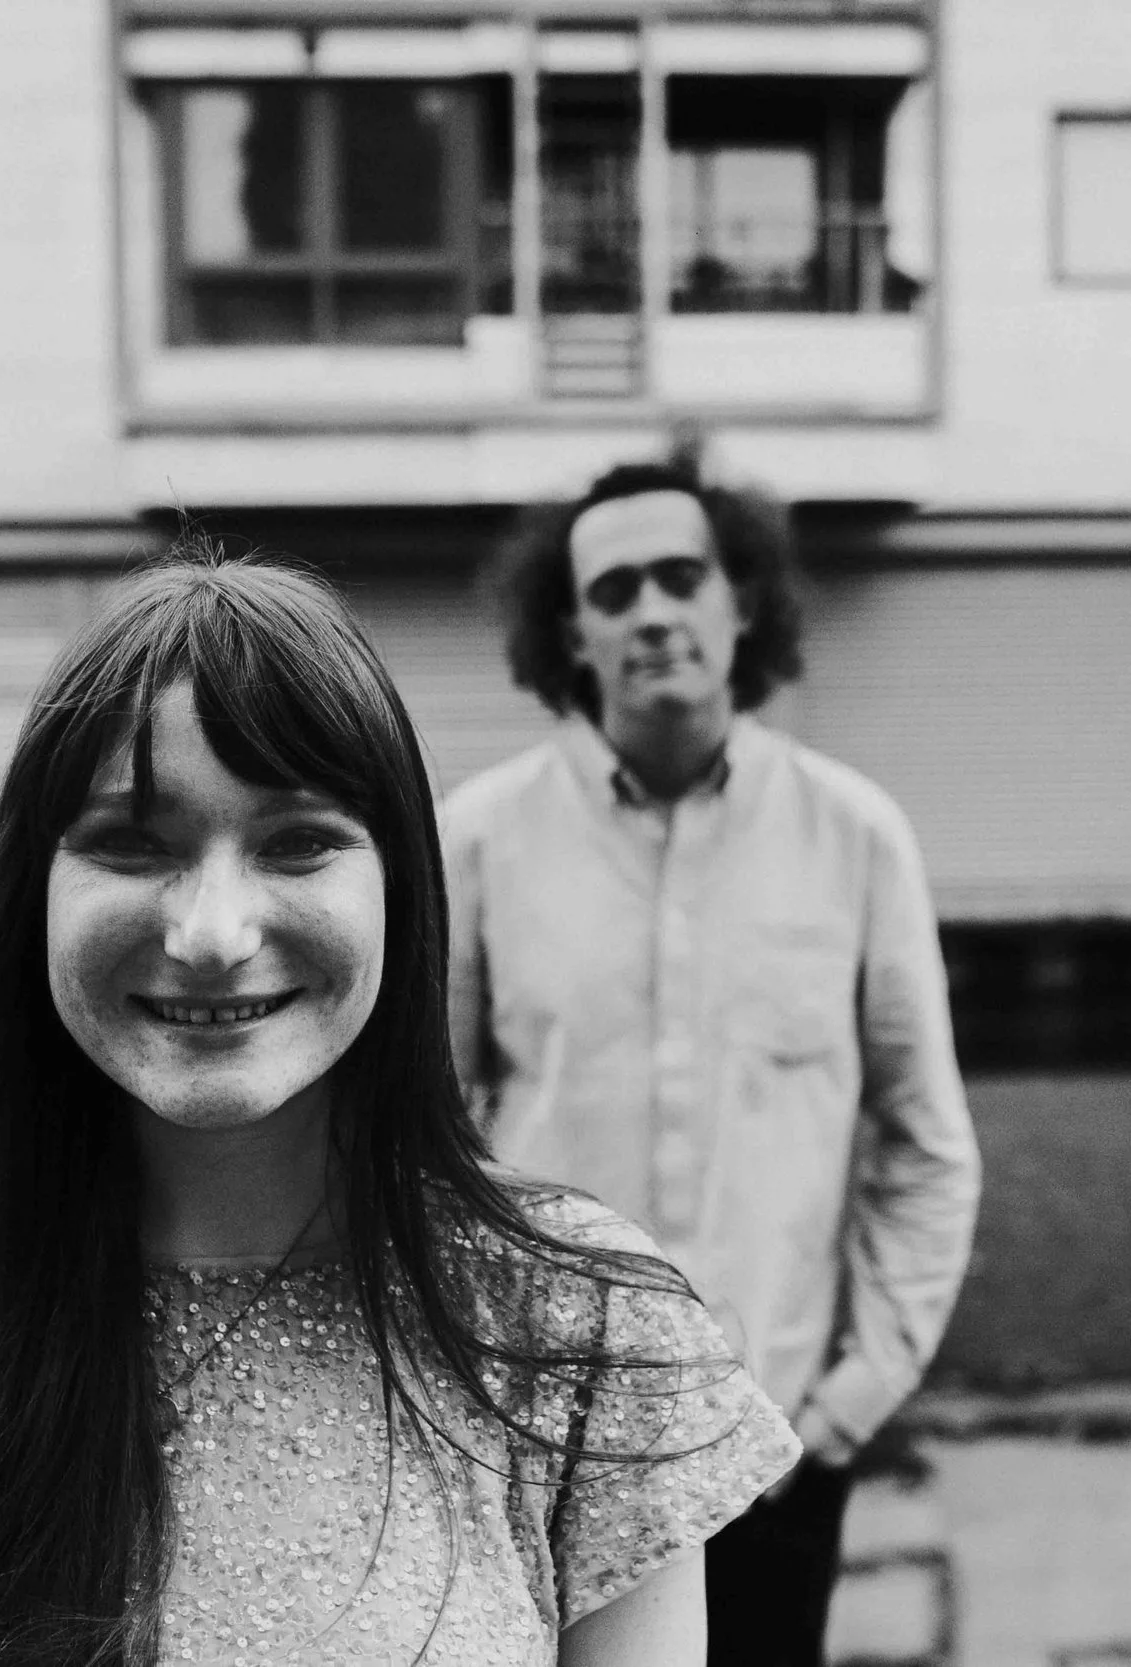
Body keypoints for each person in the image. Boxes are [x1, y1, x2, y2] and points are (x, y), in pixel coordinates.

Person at [0, 552, 799, 1667]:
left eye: (298, 842)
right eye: (131, 844)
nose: (210, 930)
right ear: (30, 891)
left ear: (400, 888)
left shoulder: (583, 1322)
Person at [442, 458, 982, 1667]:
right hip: (540, 1445)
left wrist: (849, 1402)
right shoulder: (473, 840)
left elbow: (925, 1142)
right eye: (613, 587)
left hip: (773, 1450)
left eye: (680, 576)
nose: (650, 611)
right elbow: (418, 1140)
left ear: (742, 602)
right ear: (569, 632)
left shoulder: (857, 836)